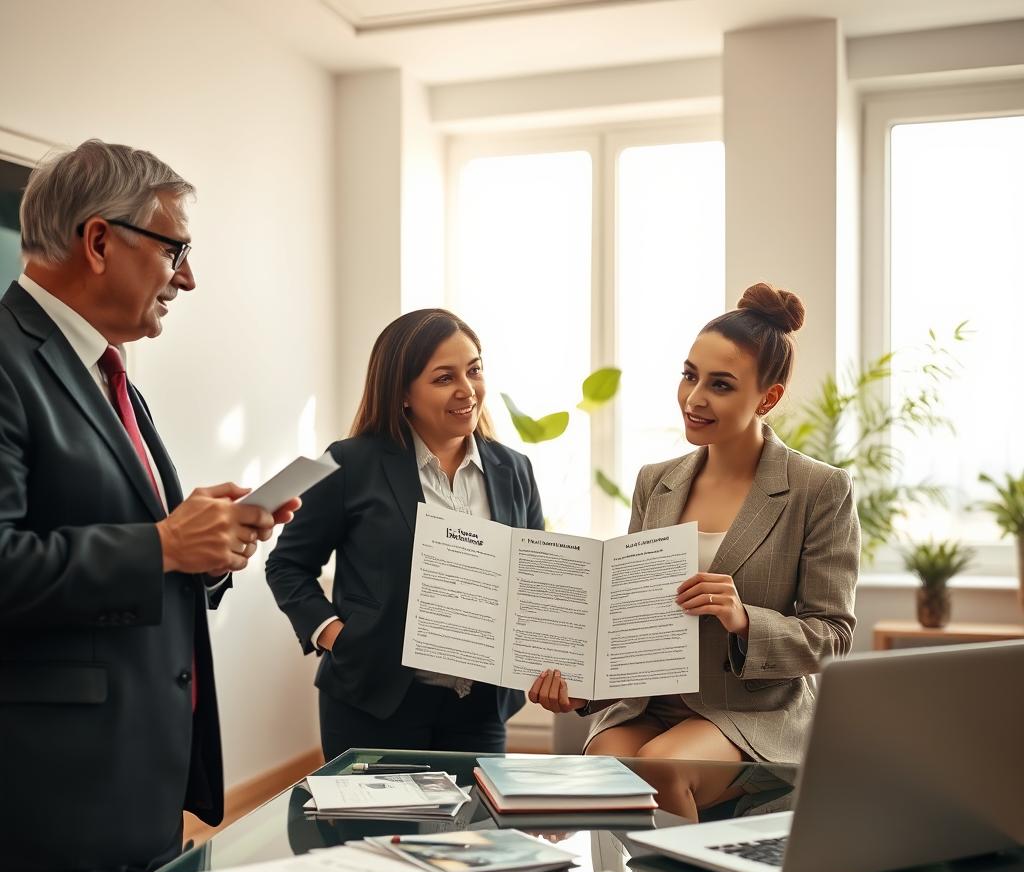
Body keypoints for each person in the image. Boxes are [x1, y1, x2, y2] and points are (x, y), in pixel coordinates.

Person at [0, 140, 299, 872]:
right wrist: (162, 545)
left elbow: (130, 545)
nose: (188, 278)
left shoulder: (106, 370)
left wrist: (203, 547)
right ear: (100, 242)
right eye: (176, 250)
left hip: (137, 786)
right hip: (52, 809)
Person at [531, 283, 859, 803]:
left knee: (663, 766)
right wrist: (580, 687)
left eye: (721, 385)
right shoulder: (654, 482)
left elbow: (833, 634)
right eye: (689, 375)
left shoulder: (818, 489)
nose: (694, 398)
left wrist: (743, 618)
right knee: (601, 765)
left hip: (754, 710)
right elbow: (630, 621)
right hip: (650, 703)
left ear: (767, 398)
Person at [266, 309, 543, 759]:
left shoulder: (514, 469)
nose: (466, 389)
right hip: (374, 699)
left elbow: (532, 578)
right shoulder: (350, 464)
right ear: (402, 394)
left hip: (480, 706)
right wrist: (336, 635)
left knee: (472, 831)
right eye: (443, 378)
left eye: (473, 370)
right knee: (377, 831)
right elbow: (287, 565)